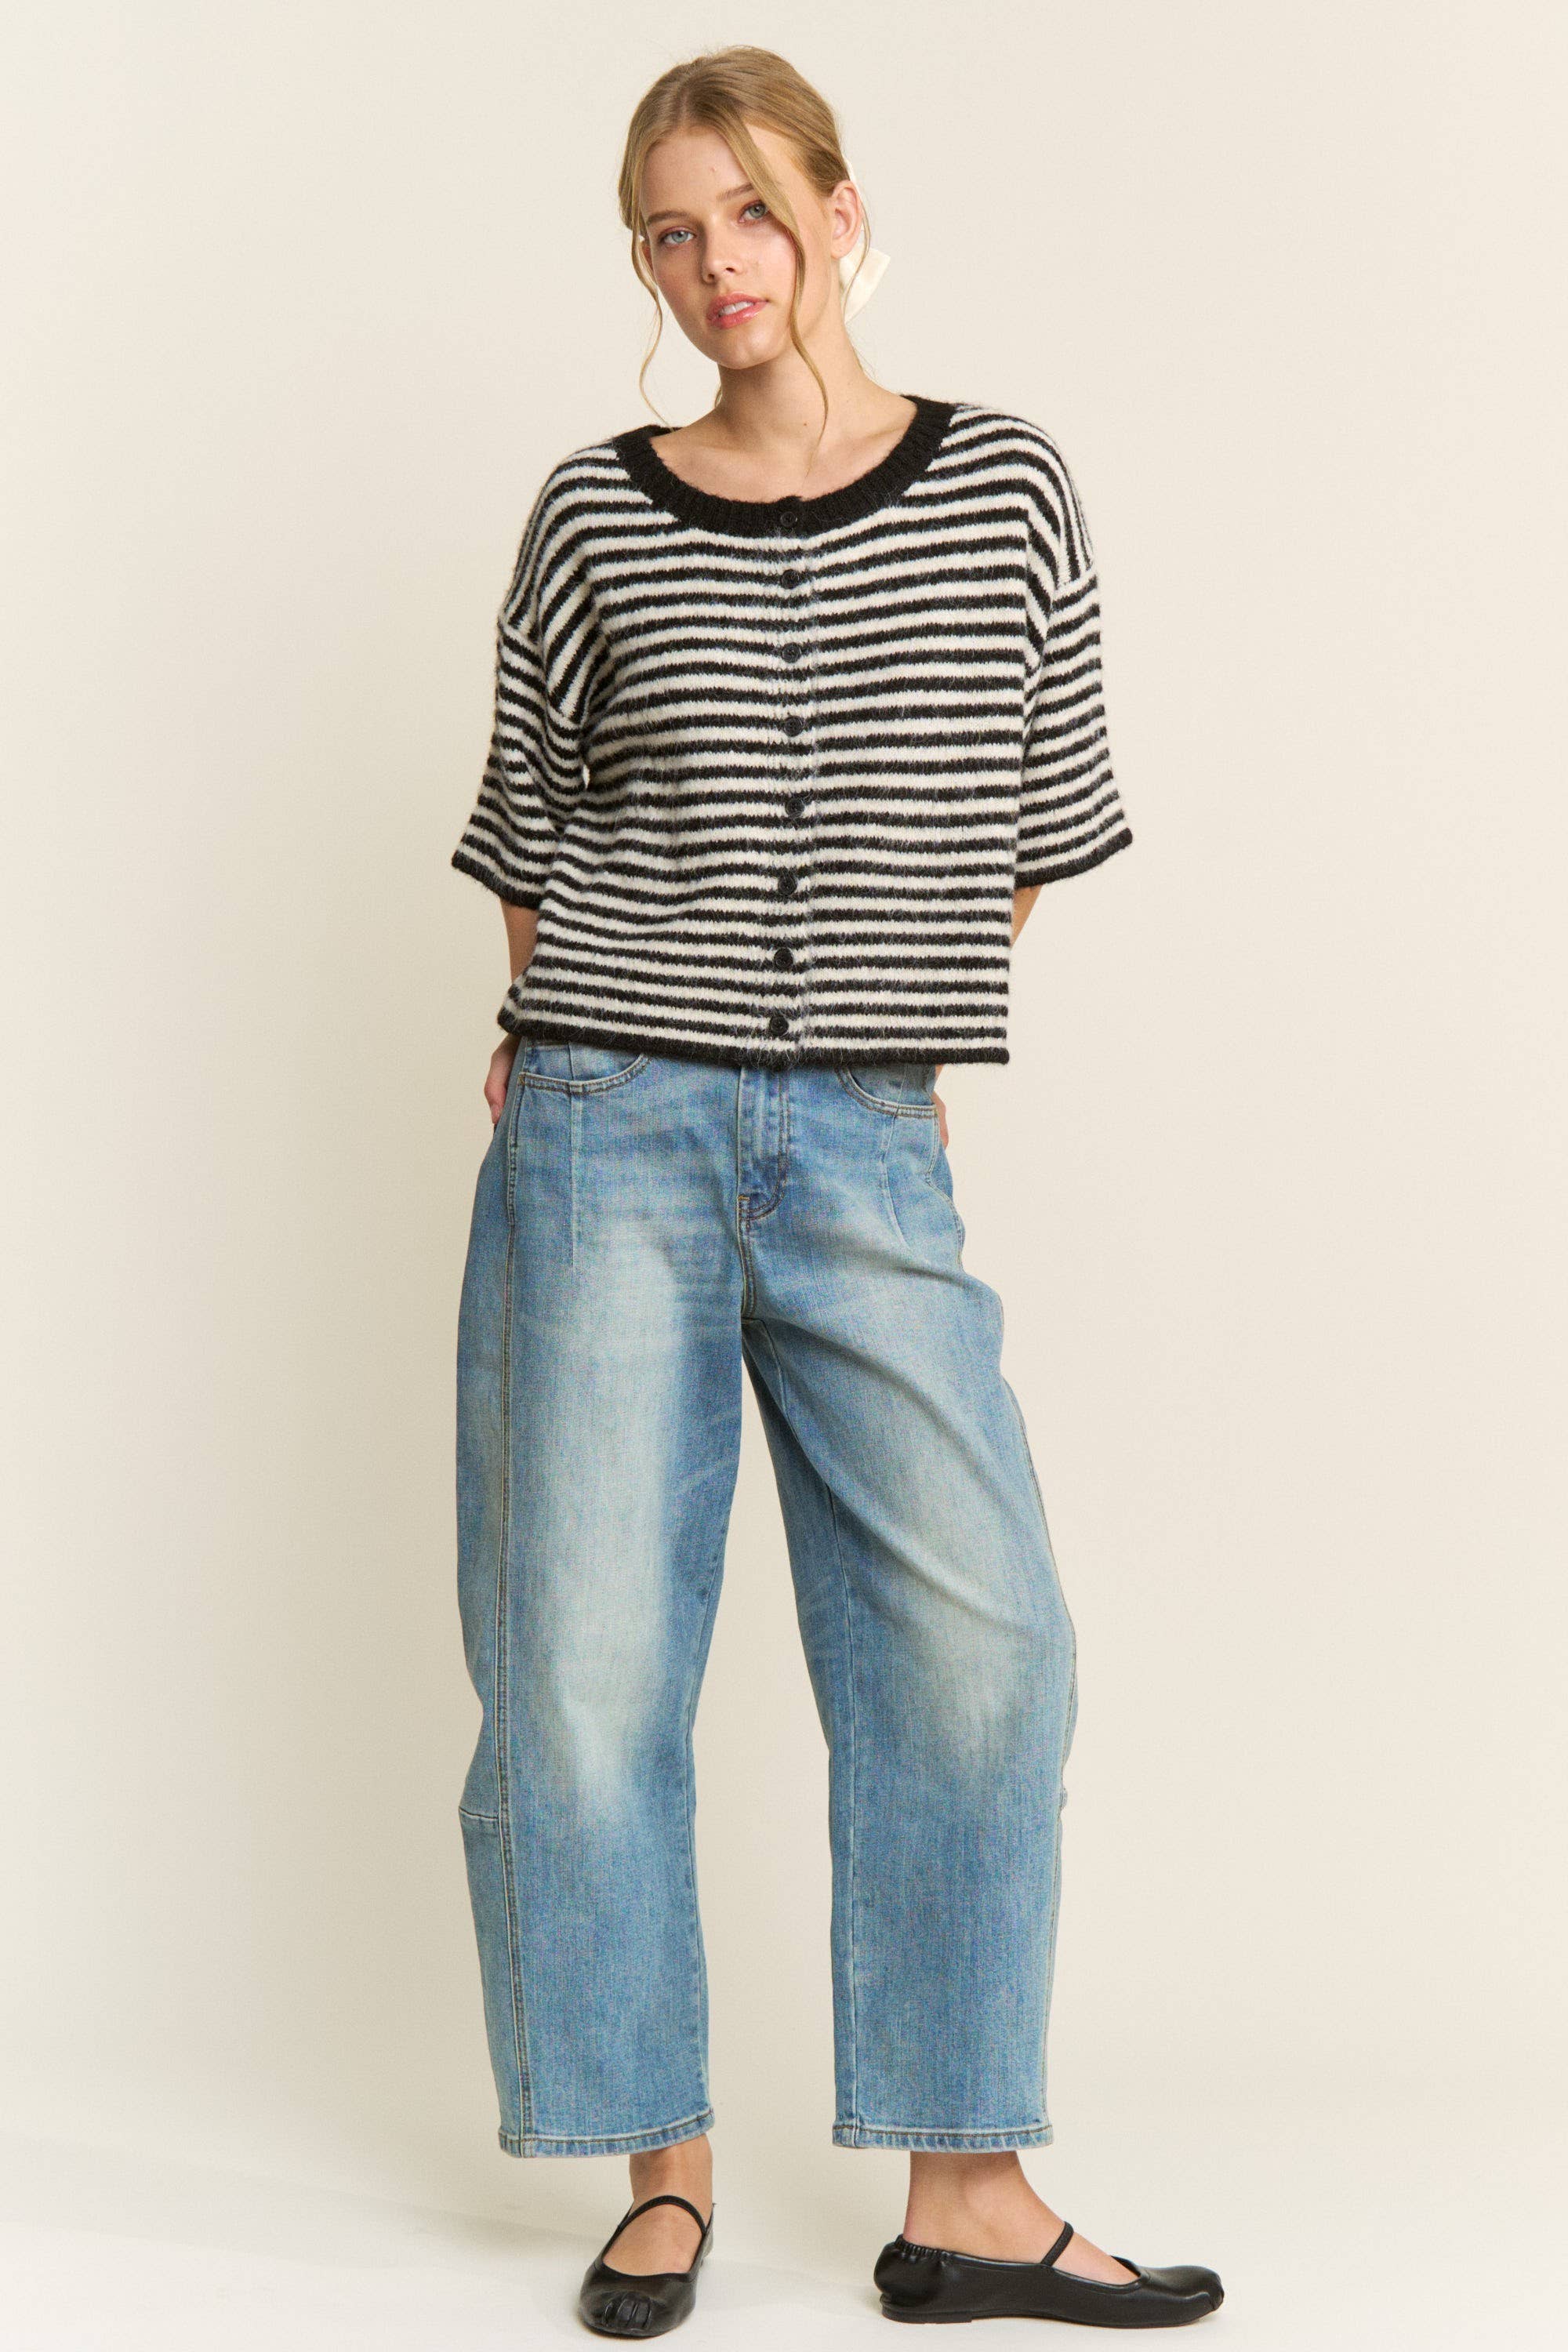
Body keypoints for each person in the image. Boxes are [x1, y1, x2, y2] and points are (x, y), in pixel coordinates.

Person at [449, 43, 1222, 2340]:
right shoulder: (592, 512)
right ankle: (658, 2170)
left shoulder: (1006, 488)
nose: (720, 268)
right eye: (671, 235)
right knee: (588, 1665)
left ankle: (965, 2191)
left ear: (840, 214)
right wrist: (557, 1045)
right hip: (610, 1116)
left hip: (868, 1130)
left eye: (754, 215)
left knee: (986, 1642)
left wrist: (884, 1039)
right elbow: (532, 819)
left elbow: (1031, 817)